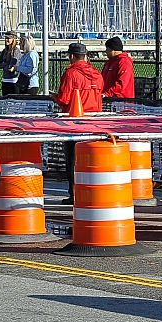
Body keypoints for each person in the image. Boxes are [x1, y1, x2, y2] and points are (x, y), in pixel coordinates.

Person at [54, 42, 103, 204]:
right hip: (94, 121)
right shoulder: (96, 74)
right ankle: (92, 192)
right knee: (91, 159)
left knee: (72, 160)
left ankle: (74, 194)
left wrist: (54, 97)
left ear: (71, 56)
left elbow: (64, 98)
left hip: (74, 122)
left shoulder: (71, 74)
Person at [0, 31, 20, 96]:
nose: (6, 40)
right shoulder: (5, 51)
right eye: (6, 38)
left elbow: (12, 66)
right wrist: (5, 65)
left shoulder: (16, 51)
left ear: (13, 39)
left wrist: (4, 65)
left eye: (8, 38)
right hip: (5, 80)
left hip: (13, 81)